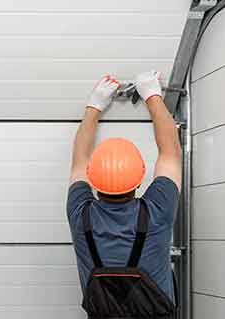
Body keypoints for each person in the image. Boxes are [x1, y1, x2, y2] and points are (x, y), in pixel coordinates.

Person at [67, 72, 181, 318]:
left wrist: (94, 106)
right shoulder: (157, 211)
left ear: (93, 179)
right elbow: (170, 151)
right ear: (140, 179)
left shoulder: (80, 214)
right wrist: (152, 95)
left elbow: (79, 161)